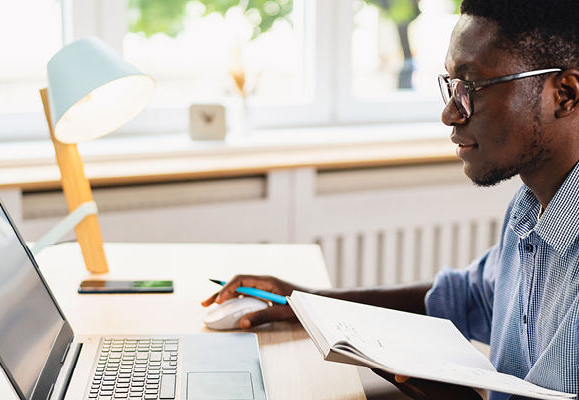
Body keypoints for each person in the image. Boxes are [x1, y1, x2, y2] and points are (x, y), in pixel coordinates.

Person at [202, 0, 579, 399]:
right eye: (451, 86)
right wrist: (306, 302)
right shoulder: (528, 210)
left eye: (471, 88)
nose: (450, 113)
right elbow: (464, 298)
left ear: (564, 94)